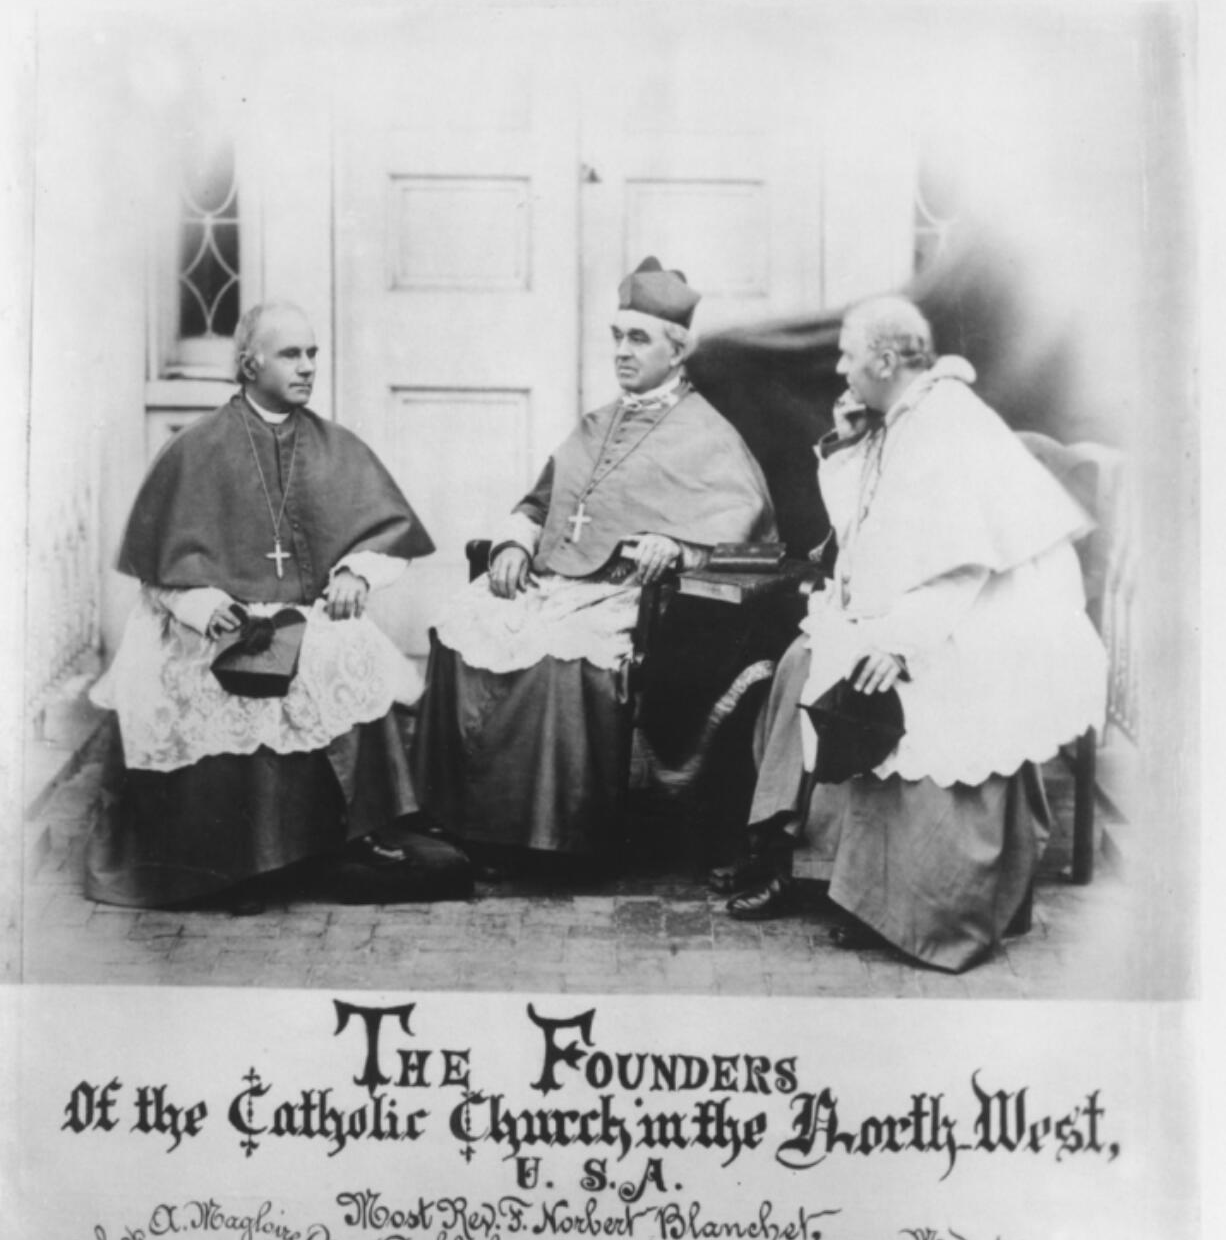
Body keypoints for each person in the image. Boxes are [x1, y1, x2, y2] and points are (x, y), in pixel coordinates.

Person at [722, 296, 1106, 973]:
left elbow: (964, 563)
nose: (840, 369)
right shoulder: (902, 418)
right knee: (802, 660)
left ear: (886, 358)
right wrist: (850, 441)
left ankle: (900, 903)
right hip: (936, 602)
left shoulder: (944, 423)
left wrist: (900, 642)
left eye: (847, 354)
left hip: (991, 618)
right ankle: (780, 851)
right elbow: (868, 531)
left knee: (881, 684)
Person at [413, 257, 777, 858]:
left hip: (623, 593)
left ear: (678, 351)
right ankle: (460, 819)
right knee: (462, 623)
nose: (622, 352)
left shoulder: (707, 434)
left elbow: (748, 532)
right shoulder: (595, 424)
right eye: (617, 337)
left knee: (563, 659)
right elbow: (538, 504)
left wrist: (679, 545)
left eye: (639, 338)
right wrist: (512, 544)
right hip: (551, 578)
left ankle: (546, 835)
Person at [86, 301, 439, 911]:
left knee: (350, 652)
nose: (307, 367)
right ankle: (228, 857)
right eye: (291, 354)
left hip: (305, 615)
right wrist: (199, 602)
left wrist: (356, 571)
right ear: (250, 364)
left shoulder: (336, 447)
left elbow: (387, 536)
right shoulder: (194, 450)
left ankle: (348, 835)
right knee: (190, 679)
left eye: (312, 354)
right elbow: (157, 574)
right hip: (216, 621)